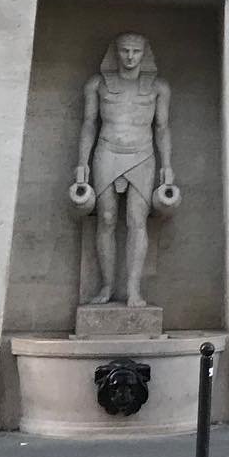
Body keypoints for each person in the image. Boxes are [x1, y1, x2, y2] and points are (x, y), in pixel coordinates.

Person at [74, 33, 174, 308]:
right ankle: (106, 286)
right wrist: (81, 163)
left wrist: (167, 166)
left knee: (136, 219)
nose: (130, 57)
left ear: (145, 54)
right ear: (116, 53)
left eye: (136, 51)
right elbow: (89, 124)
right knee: (106, 217)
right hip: (107, 151)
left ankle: (133, 289)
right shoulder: (98, 84)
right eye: (125, 51)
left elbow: (162, 128)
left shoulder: (158, 87)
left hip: (142, 154)